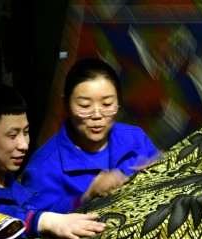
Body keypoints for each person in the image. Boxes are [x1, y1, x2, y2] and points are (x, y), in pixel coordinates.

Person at [0, 83, 106, 239]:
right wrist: (42, 221)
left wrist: (87, 195)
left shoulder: (9, 184)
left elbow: (49, 214)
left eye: (25, 132)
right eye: (12, 136)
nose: (24, 145)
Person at [22, 58, 159, 213]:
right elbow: (31, 225)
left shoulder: (136, 139)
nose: (97, 115)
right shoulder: (43, 167)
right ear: (66, 104)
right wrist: (86, 197)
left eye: (107, 104)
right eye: (85, 106)